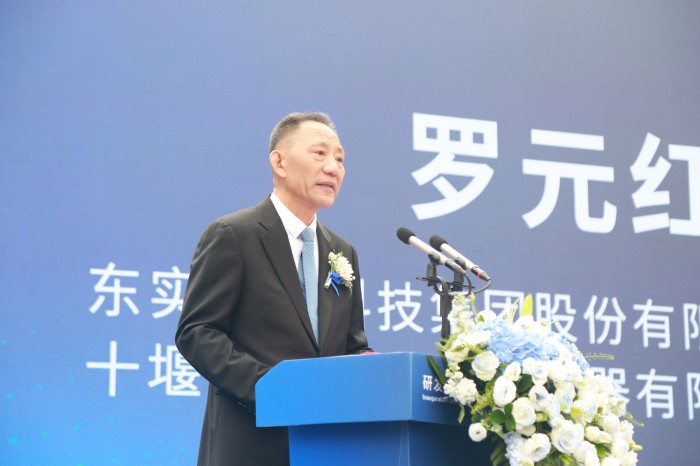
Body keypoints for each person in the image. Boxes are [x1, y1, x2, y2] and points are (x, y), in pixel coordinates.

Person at [175, 112, 372, 466]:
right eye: (320, 153)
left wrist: (369, 369)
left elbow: (352, 345)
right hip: (250, 442)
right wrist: (273, 389)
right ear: (280, 162)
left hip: (326, 445)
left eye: (340, 159)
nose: (333, 168)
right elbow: (198, 332)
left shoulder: (343, 252)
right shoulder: (234, 234)